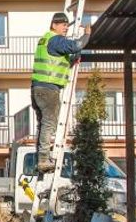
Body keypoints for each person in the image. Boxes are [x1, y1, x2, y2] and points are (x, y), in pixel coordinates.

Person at [31, 12, 91, 172]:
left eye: (66, 24)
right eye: (63, 24)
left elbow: (56, 62)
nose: (65, 27)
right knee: (49, 123)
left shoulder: (46, 41)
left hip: (39, 89)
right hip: (48, 89)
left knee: (43, 125)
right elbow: (76, 45)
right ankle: (43, 159)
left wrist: (71, 60)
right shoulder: (55, 39)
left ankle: (41, 157)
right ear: (54, 25)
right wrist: (86, 34)